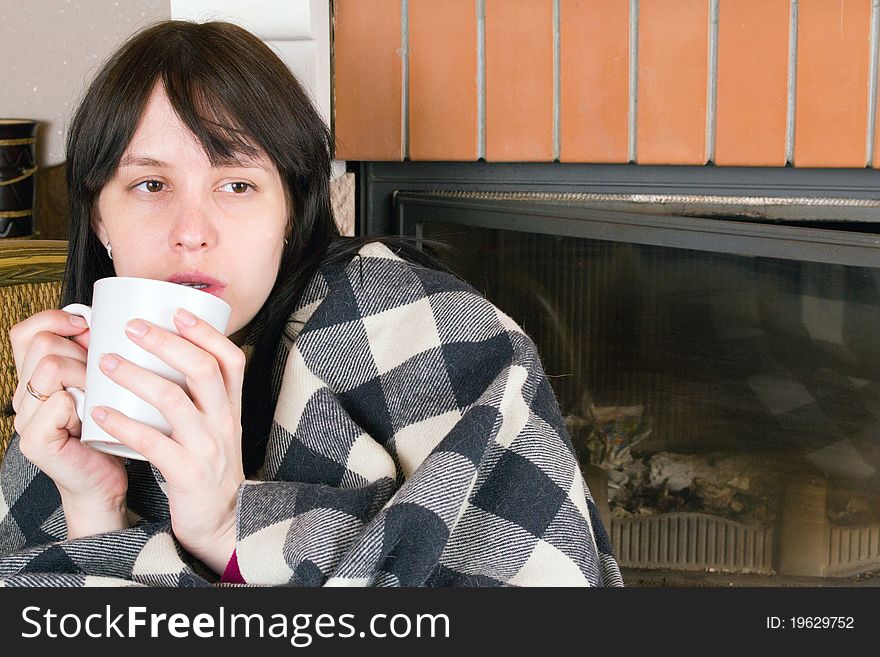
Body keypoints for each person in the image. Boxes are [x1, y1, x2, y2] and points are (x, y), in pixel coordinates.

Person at [0, 20, 622, 587]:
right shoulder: (76, 382)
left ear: (291, 216)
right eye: (151, 184)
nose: (192, 229)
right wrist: (93, 509)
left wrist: (226, 527)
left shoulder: (427, 334)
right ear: (99, 219)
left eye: (237, 185)